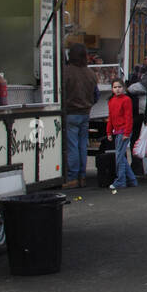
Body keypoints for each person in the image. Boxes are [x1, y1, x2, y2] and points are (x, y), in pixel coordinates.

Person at [62, 43, 98, 188]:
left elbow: (61, 92)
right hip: (85, 112)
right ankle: (82, 176)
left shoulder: (66, 72)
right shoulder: (90, 73)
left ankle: (72, 177)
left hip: (70, 112)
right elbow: (96, 95)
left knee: (72, 146)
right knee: (83, 145)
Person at [107, 78, 138, 190]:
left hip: (124, 131)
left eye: (119, 87)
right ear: (112, 89)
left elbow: (128, 117)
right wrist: (109, 131)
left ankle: (121, 180)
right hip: (117, 131)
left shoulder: (126, 100)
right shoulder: (111, 101)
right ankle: (132, 179)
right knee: (120, 156)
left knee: (119, 157)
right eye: (115, 87)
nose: (117, 89)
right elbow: (110, 117)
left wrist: (127, 132)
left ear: (124, 88)